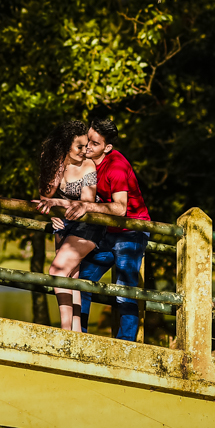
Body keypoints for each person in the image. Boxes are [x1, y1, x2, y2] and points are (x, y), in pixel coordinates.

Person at [34, 118, 150, 341]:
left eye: (93, 144)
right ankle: (80, 338)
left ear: (107, 147)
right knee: (83, 280)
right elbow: (50, 190)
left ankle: (125, 347)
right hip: (104, 228)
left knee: (124, 290)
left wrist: (84, 205)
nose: (87, 148)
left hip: (130, 230)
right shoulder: (82, 159)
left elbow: (120, 209)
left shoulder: (115, 167)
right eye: (86, 142)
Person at [37, 119, 105, 332]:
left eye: (87, 146)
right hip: (64, 223)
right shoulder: (54, 162)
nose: (85, 151)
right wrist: (58, 167)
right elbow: (44, 195)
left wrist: (55, 203)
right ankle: (76, 333)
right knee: (70, 276)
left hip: (88, 224)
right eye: (79, 146)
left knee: (57, 271)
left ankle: (65, 333)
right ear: (65, 144)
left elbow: (87, 203)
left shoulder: (88, 166)